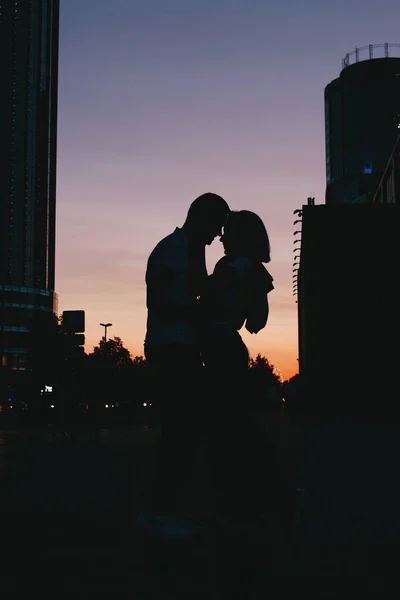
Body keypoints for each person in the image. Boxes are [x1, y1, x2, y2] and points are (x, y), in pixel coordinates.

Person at [136, 192, 231, 539]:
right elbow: (158, 300)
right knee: (180, 431)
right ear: (201, 218)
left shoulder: (188, 250)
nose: (217, 235)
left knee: (184, 431)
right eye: (216, 225)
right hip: (170, 348)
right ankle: (159, 512)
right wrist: (199, 310)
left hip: (181, 348)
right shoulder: (173, 249)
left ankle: (166, 509)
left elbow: (192, 293)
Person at [198, 210, 290, 528]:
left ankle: (250, 498)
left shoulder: (236, 267)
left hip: (222, 347)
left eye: (227, 233)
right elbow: (257, 321)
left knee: (228, 426)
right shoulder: (248, 268)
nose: (221, 238)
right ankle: (261, 496)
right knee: (233, 425)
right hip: (227, 346)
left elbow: (208, 297)